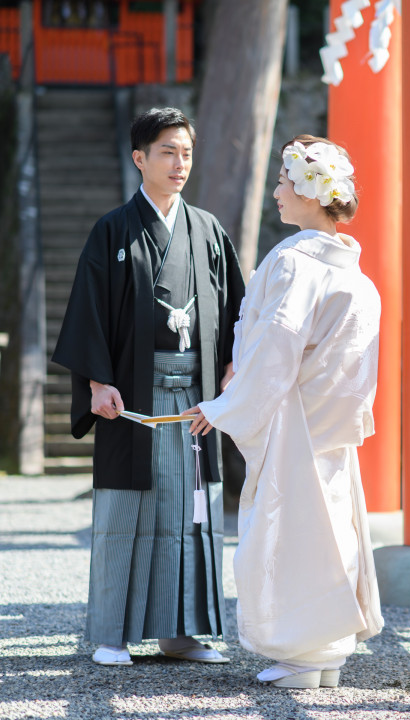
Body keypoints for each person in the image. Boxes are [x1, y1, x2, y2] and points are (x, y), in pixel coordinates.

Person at [183, 134, 384, 689]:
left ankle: (302, 654)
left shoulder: (295, 261)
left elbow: (275, 346)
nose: (276, 192)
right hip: (331, 422)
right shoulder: (356, 276)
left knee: (289, 531)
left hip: (294, 419)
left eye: (283, 182)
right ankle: (325, 654)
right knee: (329, 530)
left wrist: (225, 405)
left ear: (311, 192)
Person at [52, 107, 244, 667]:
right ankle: (112, 634)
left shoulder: (207, 230)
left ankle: (181, 633)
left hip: (196, 400)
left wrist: (234, 366)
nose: (180, 162)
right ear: (139, 158)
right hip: (130, 399)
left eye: (186, 152)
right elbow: (87, 313)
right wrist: (96, 382)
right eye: (167, 151)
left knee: (192, 514)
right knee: (125, 513)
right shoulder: (112, 230)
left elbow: (237, 308)